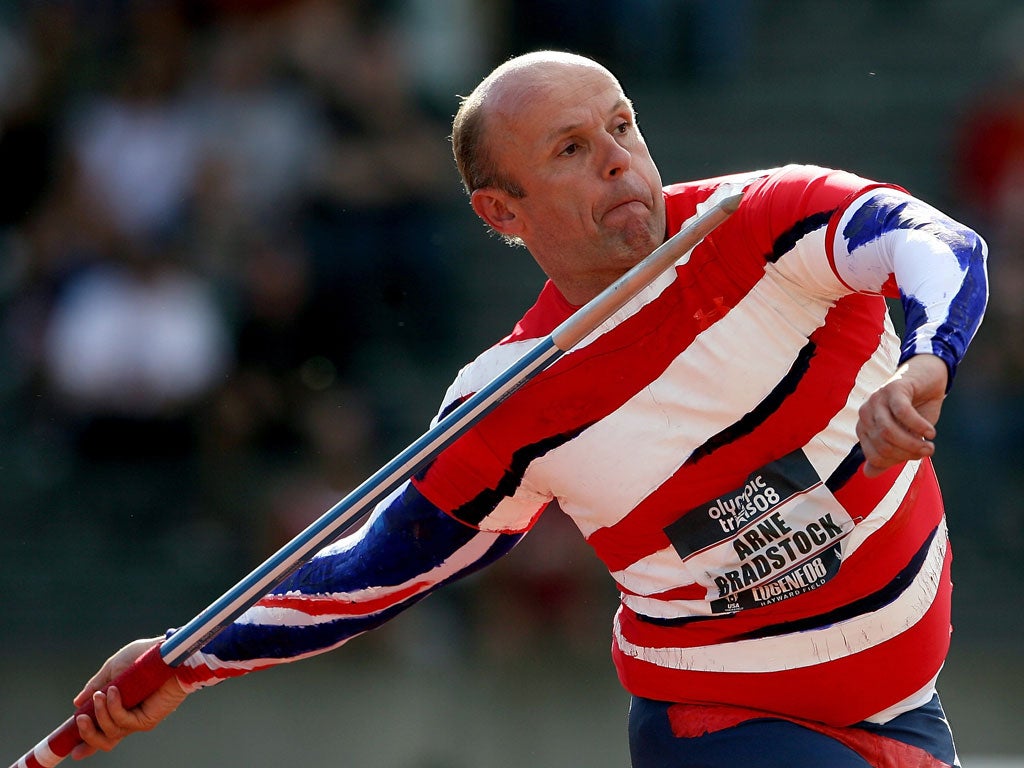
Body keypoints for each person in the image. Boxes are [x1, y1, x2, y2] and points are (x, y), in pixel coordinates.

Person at [70, 51, 987, 768]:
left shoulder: (769, 221)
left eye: (621, 125)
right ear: (501, 212)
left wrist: (925, 361)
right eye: (571, 150)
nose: (619, 161)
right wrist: (190, 656)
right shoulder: (507, 399)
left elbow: (936, 245)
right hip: (730, 724)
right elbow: (378, 568)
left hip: (908, 711)